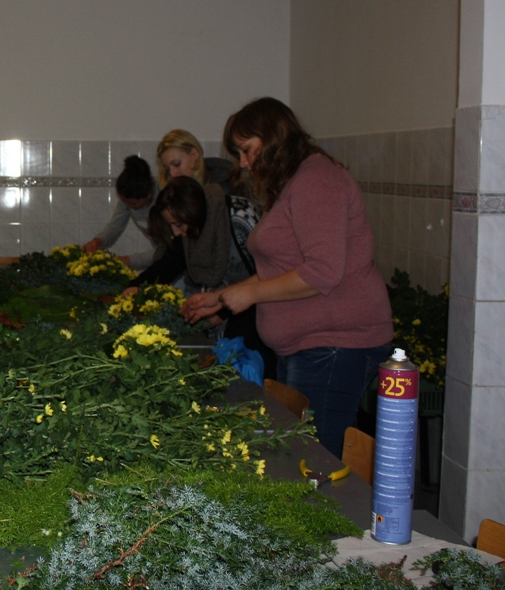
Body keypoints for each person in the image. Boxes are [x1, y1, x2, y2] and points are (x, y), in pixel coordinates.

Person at [181, 97, 392, 458]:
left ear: (274, 138)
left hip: (335, 344)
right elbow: (279, 268)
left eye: (247, 150)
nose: (243, 162)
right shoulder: (295, 182)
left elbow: (322, 271)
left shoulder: (317, 179)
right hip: (310, 346)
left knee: (315, 462)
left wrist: (249, 296)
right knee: (300, 456)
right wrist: (222, 298)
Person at [123, 176, 274, 377]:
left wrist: (223, 312)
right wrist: (137, 285)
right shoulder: (191, 226)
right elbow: (171, 262)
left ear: (191, 212)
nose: (176, 232)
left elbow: (268, 274)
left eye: (178, 224)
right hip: (221, 321)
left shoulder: (239, 217)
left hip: (255, 323)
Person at [82, 155, 159, 268]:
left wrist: (125, 261)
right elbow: (114, 227)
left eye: (133, 203)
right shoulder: (128, 199)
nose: (128, 207)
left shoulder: (164, 197)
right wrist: (98, 241)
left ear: (148, 194)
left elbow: (169, 250)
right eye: (125, 202)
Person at [156, 128, 238, 195]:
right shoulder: (168, 191)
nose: (172, 174)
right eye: (167, 169)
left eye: (177, 164)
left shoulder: (226, 185)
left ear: (194, 154)